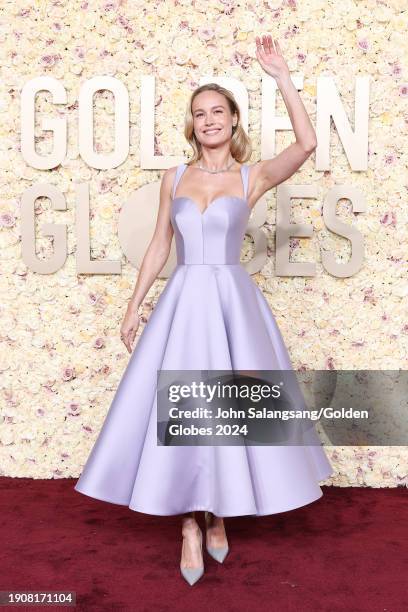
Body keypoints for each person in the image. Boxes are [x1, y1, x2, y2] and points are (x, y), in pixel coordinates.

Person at [74, 34, 333, 586]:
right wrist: (132, 308)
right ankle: (190, 523)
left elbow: (307, 144)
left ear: (234, 120)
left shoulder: (251, 175)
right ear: (191, 126)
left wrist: (282, 77)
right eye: (200, 114)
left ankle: (217, 513)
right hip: (184, 303)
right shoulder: (174, 177)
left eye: (218, 112)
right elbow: (160, 246)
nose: (209, 120)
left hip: (233, 305)